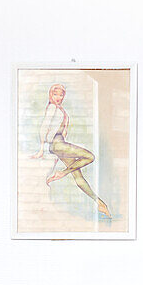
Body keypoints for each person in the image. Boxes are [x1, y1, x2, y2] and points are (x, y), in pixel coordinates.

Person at [32, 83, 111, 217]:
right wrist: (41, 149)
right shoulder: (52, 108)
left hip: (60, 146)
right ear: (51, 95)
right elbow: (44, 127)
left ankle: (100, 204)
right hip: (57, 144)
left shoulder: (61, 110)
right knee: (90, 156)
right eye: (55, 94)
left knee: (78, 176)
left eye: (61, 95)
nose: (58, 97)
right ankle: (62, 173)